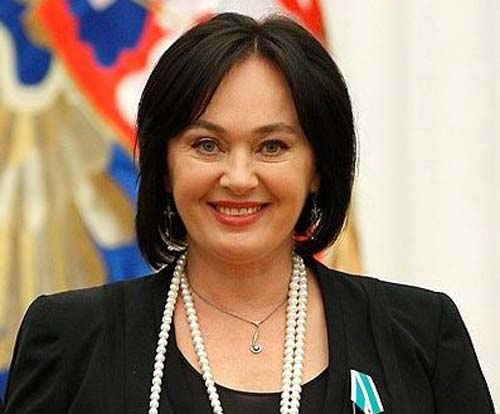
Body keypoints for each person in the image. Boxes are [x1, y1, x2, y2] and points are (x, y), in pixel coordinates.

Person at [4, 12, 495, 414]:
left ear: (317, 167)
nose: (239, 177)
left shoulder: (421, 336)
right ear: (164, 163)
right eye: (207, 145)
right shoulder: (70, 341)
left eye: (272, 146)